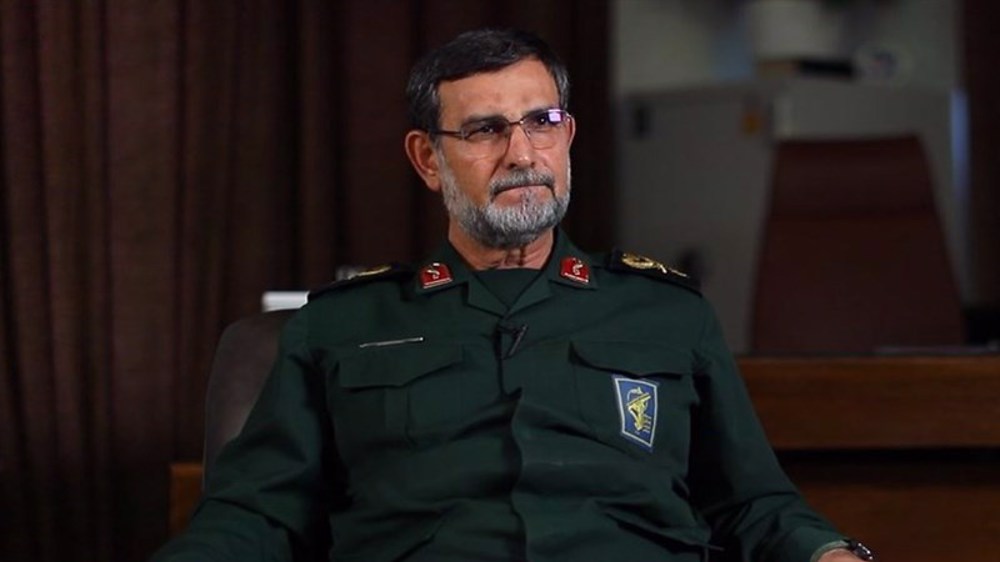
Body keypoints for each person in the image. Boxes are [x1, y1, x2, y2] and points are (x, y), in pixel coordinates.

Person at [153, 28, 876, 562]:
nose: (522, 153)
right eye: (483, 131)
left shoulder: (667, 314)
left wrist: (828, 554)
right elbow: (255, 515)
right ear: (427, 160)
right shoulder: (342, 327)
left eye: (541, 121)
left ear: (568, 136)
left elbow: (751, 503)